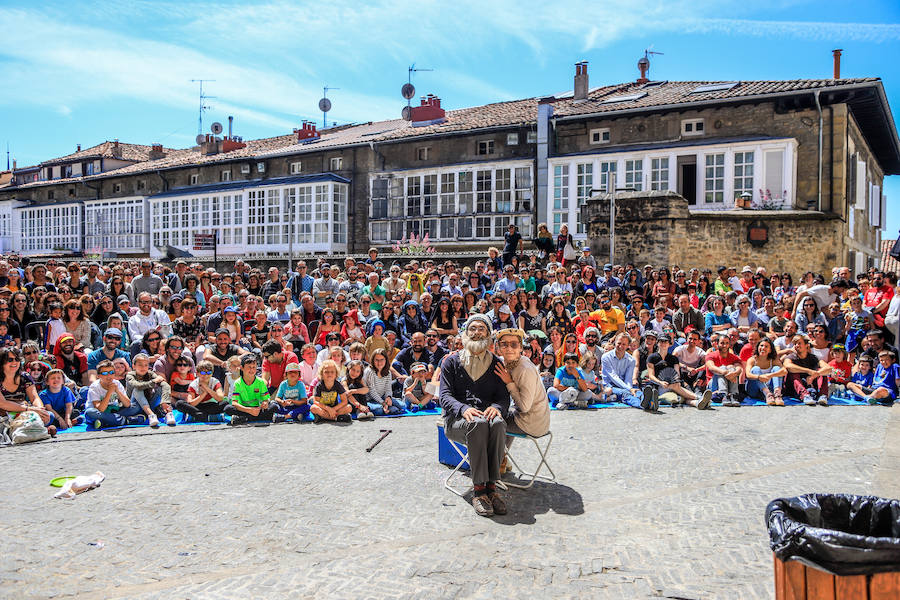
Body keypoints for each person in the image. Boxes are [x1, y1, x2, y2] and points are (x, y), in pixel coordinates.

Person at [439, 315, 510, 517]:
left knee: (498, 423)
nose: (477, 332)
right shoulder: (451, 362)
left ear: (488, 334)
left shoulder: (496, 363)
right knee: (477, 424)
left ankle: (492, 488)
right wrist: (463, 409)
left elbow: (504, 398)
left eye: (482, 329)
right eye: (473, 328)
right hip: (457, 421)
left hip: (486, 419)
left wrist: (497, 407)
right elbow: (444, 396)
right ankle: (479, 491)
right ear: (465, 332)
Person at [646, 335, 712, 409]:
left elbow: (677, 375)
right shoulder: (651, 357)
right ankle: (699, 397)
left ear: (669, 344)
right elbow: (651, 375)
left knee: (684, 397)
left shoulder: (673, 358)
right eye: (661, 341)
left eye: (665, 342)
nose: (663, 343)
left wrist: (674, 381)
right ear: (657, 343)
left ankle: (697, 403)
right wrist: (660, 382)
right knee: (677, 388)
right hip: (658, 385)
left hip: (673, 386)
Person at [601, 333, 655, 411]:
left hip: (624, 384)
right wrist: (629, 389)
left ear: (628, 346)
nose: (620, 346)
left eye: (624, 344)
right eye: (619, 343)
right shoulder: (606, 357)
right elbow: (613, 377)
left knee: (637, 391)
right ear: (615, 343)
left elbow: (628, 378)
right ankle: (642, 404)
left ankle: (649, 402)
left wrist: (631, 389)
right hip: (609, 386)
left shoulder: (631, 360)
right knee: (625, 393)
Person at [85, 359, 146, 428]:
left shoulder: (116, 383)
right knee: (89, 413)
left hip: (114, 412)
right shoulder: (94, 387)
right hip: (100, 412)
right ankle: (126, 420)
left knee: (136, 407)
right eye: (105, 373)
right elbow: (100, 409)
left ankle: (106, 422)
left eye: (111, 372)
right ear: (98, 376)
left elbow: (128, 404)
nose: (109, 376)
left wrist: (117, 390)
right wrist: (109, 392)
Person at [226, 354, 277, 425]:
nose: (252, 370)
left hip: (257, 408)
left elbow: (266, 399)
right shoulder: (238, 383)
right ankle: (256, 417)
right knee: (228, 408)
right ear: (242, 368)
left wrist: (265, 403)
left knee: (274, 406)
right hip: (244, 408)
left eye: (254, 367)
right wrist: (249, 410)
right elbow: (234, 403)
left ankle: (243, 418)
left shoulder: (260, 382)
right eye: (249, 367)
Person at [125, 353, 173, 427]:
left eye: (146, 365)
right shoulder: (130, 375)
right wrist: (153, 381)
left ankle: (168, 413)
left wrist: (164, 402)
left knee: (164, 386)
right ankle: (151, 415)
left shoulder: (150, 374)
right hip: (135, 406)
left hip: (149, 404)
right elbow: (137, 385)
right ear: (133, 366)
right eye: (140, 365)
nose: (143, 367)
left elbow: (164, 385)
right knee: (138, 389)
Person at [784, 335, 831, 406]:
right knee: (793, 373)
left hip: (809, 385)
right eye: (795, 344)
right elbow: (788, 366)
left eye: (799, 343)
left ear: (806, 345)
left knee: (822, 371)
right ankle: (804, 395)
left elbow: (828, 368)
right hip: (794, 388)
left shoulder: (813, 358)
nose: (797, 345)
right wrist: (808, 371)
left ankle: (823, 395)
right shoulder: (791, 356)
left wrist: (815, 374)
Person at [745, 338, 787, 406]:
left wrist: (770, 375)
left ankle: (777, 395)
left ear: (770, 350)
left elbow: (784, 371)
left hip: (769, 387)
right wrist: (759, 377)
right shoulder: (752, 360)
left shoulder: (773, 360)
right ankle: (767, 395)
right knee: (756, 369)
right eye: (761, 346)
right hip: (754, 390)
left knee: (777, 368)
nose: (763, 348)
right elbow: (748, 374)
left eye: (766, 346)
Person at [705, 334, 743, 407]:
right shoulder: (711, 355)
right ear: (717, 344)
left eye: (727, 343)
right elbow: (711, 367)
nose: (724, 346)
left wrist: (734, 374)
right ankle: (724, 394)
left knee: (731, 367)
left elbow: (739, 368)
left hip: (729, 385)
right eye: (722, 343)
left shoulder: (733, 357)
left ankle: (733, 395)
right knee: (722, 368)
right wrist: (725, 372)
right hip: (713, 385)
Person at [310, 359, 353, 423]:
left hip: (335, 408)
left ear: (336, 374)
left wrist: (333, 409)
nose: (329, 374)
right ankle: (336, 417)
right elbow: (316, 402)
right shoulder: (319, 385)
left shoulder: (338, 384)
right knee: (313, 408)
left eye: (332, 372)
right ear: (322, 373)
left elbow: (344, 401)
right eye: (326, 372)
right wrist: (328, 409)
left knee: (349, 407)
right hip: (324, 408)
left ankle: (325, 417)